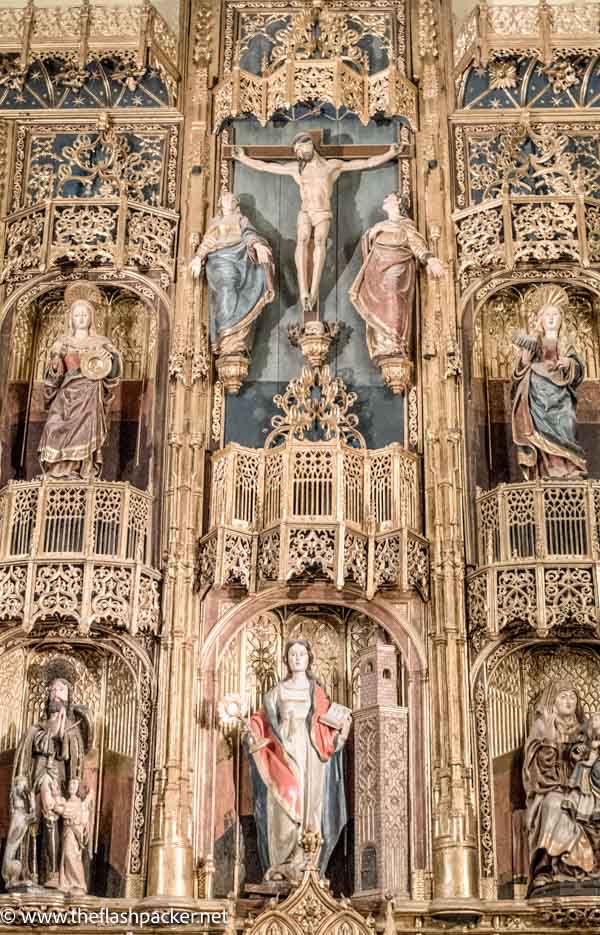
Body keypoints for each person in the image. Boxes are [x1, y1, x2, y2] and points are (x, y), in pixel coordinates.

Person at [233, 134, 401, 312]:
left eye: (300, 149)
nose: (298, 154)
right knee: (302, 241)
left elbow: (365, 163)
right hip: (305, 212)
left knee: (320, 241)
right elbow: (265, 167)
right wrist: (243, 157)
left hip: (322, 212)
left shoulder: (331, 166)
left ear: (310, 145)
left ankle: (313, 290)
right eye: (296, 151)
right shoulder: (297, 169)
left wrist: (389, 154)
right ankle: (304, 290)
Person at [245, 640, 351, 884]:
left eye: (302, 653)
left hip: (311, 754)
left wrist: (342, 728)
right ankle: (282, 864)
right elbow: (260, 721)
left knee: (310, 806)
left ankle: (307, 862)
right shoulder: (276, 692)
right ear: (286, 659)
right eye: (292, 653)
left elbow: (328, 724)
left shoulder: (317, 691)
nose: (297, 657)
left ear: (309, 658)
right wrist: (251, 731)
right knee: (284, 805)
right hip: (283, 752)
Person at [12, 658, 93, 889]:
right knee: (45, 811)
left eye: (61, 689)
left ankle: (57, 874)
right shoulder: (36, 729)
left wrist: (74, 784)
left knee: (59, 818)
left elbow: (77, 757)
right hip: (40, 780)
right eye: (53, 690)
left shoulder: (72, 729)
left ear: (68, 695)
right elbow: (26, 760)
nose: (56, 694)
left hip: (65, 783)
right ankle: (40, 873)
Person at [38, 281, 122, 480]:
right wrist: (56, 360)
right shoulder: (62, 343)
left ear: (91, 318)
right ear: (71, 319)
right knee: (53, 425)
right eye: (77, 315)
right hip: (66, 393)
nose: (81, 318)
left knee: (84, 430)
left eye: (85, 314)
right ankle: (56, 471)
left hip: (89, 395)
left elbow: (112, 375)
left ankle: (80, 470)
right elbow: (53, 378)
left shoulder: (101, 342)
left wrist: (112, 357)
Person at [350, 191, 444, 362]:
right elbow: (368, 244)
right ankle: (384, 343)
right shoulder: (381, 225)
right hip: (377, 271)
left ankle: (396, 341)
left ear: (398, 202)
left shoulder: (405, 225)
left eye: (390, 197)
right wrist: (374, 231)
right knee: (382, 303)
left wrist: (430, 259)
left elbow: (416, 244)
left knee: (393, 295)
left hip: (397, 267)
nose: (385, 199)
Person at [523, 681, 592, 893]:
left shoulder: (585, 727)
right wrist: (552, 739)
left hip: (582, 786)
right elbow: (536, 764)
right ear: (553, 701)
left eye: (572, 697)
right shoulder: (543, 725)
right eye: (563, 696)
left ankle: (588, 868)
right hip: (550, 786)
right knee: (554, 804)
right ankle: (544, 866)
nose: (569, 701)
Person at [511, 286, 587, 479]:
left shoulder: (566, 343)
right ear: (540, 320)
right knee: (540, 432)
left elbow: (578, 368)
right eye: (547, 315)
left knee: (567, 424)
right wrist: (525, 357)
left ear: (561, 320)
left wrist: (568, 363)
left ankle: (569, 470)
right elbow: (519, 370)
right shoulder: (535, 340)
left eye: (555, 315)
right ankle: (545, 473)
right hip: (537, 393)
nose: (552, 319)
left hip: (561, 396)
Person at [190, 191, 274, 358]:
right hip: (220, 259)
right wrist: (198, 258)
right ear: (221, 203)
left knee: (237, 292)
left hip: (241, 258)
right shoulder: (216, 221)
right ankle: (226, 338)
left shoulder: (241, 219)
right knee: (227, 289)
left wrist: (257, 245)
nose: (230, 199)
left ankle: (236, 339)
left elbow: (249, 233)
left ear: (237, 203)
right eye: (226, 198)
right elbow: (208, 241)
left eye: (233, 198)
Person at [564, 712, 600, 824]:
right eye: (592, 720)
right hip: (594, 760)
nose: (593, 722)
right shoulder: (591, 735)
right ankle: (576, 790)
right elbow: (589, 750)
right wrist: (580, 751)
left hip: (597, 764)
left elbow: (594, 753)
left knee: (588, 768)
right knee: (581, 765)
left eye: (596, 720)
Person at [58, 780, 93, 895]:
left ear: (78, 788)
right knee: (67, 857)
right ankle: (69, 883)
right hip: (67, 832)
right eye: (70, 783)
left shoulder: (79, 803)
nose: (71, 786)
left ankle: (79, 884)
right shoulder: (67, 801)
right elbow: (64, 812)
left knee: (72, 856)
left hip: (74, 834)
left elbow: (82, 818)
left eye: (74, 784)